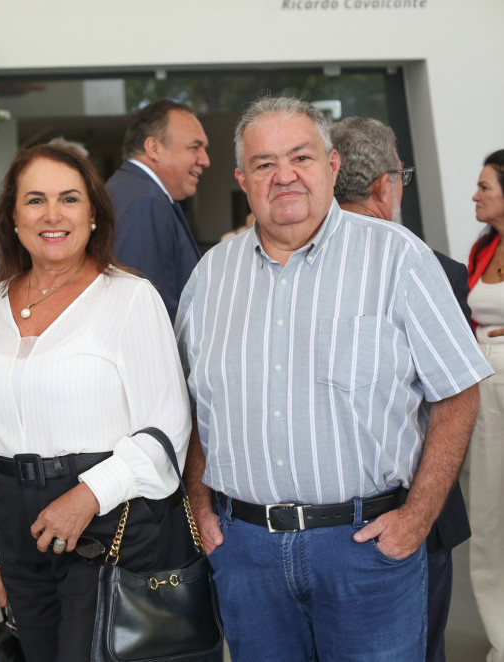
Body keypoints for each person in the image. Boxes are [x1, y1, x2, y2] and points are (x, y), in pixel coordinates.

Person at [176, 96, 492, 662]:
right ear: (242, 179)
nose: (285, 175)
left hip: (365, 551)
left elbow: (459, 392)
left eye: (300, 156)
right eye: (265, 163)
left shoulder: (399, 258)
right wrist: (199, 503)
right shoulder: (210, 277)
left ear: (333, 165)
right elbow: (199, 406)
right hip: (246, 555)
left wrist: (417, 519)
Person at [0, 143, 192, 662]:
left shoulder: (131, 298)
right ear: (12, 217)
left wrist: (88, 495)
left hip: (107, 522)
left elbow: (169, 428)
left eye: (69, 199)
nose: (53, 215)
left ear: (93, 215)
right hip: (18, 528)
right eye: (35, 200)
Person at [331, 115, 473, 662]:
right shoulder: (436, 271)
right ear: (384, 186)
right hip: (411, 516)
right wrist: (418, 520)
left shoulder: (281, 264)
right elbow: (454, 400)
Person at [106, 99, 210, 323]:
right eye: (195, 147)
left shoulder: (136, 191)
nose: (205, 160)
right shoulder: (144, 200)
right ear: (154, 148)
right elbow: (144, 312)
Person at [466, 149, 504, 662]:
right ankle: (501, 635)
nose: (475, 195)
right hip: (484, 382)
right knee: (489, 511)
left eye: (485, 186)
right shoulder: (482, 250)